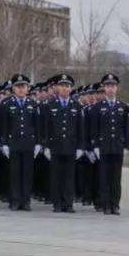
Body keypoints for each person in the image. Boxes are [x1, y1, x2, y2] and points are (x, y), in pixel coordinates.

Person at [44, 73, 84, 213]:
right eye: (62, 86)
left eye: (67, 86)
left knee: (69, 177)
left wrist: (80, 147)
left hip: (71, 146)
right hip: (55, 146)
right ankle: (57, 203)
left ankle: (68, 203)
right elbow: (46, 127)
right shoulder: (51, 105)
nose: (64, 88)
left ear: (71, 89)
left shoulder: (76, 105)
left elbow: (81, 128)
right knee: (56, 176)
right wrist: (46, 146)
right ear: (58, 88)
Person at [89, 73, 129, 215]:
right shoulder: (98, 107)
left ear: (116, 88)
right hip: (104, 147)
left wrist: (126, 146)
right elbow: (94, 128)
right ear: (104, 88)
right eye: (108, 86)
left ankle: (115, 204)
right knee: (104, 177)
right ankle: (105, 204)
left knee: (116, 178)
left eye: (113, 86)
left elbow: (125, 128)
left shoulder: (122, 107)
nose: (110, 89)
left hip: (117, 146)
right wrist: (95, 146)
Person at [0, 73, 40, 211]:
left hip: (29, 143)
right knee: (14, 173)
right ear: (13, 89)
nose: (21, 89)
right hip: (13, 143)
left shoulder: (33, 104)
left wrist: (38, 143)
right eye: (18, 87)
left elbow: (37, 126)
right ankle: (15, 200)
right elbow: (3, 125)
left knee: (27, 174)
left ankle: (26, 201)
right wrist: (3, 143)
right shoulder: (6, 104)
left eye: (24, 87)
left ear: (28, 88)